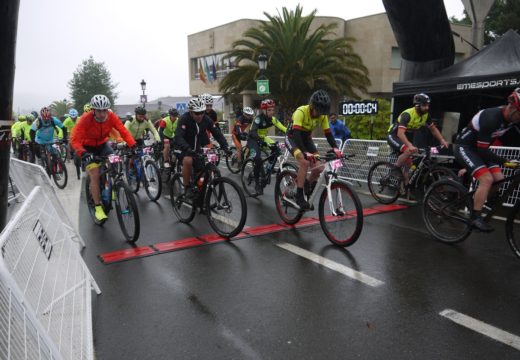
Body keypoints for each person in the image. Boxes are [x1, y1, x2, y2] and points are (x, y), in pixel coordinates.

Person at [453, 88, 520, 232]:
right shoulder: (492, 117)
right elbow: (482, 150)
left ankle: (479, 202)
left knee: (499, 179)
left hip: (479, 150)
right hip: (465, 147)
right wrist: (505, 162)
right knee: (487, 179)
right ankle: (475, 217)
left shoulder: (513, 118)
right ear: (513, 108)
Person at [71, 94, 136, 222]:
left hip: (102, 144)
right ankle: (98, 207)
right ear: (93, 110)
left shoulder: (111, 116)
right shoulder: (86, 119)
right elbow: (74, 139)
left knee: (115, 161)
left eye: (104, 110)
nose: (102, 114)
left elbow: (122, 130)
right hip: (87, 148)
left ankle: (112, 186)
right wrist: (83, 153)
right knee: (95, 174)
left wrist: (132, 145)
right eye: (99, 110)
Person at [286, 90, 342, 210]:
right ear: (312, 106)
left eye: (323, 112)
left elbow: (328, 134)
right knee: (304, 162)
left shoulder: (322, 116)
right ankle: (300, 196)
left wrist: (336, 148)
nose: (320, 114)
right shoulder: (301, 112)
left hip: (306, 139)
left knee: (319, 168)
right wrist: (304, 152)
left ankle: (306, 184)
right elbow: (296, 135)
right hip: (292, 138)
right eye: (318, 110)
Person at [387, 93, 449, 185]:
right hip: (394, 135)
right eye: (424, 105)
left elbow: (433, 129)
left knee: (409, 164)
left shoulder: (426, 115)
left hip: (405, 137)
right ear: (417, 105)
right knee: (408, 150)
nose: (427, 108)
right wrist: (410, 145)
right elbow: (400, 133)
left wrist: (442, 140)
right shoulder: (407, 114)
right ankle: (394, 169)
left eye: (428, 105)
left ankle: (405, 185)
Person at [173, 97, 229, 199]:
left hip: (196, 148)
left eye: (202, 112)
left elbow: (217, 133)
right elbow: (179, 136)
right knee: (188, 160)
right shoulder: (184, 119)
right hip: (181, 147)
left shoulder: (206, 119)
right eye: (197, 113)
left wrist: (225, 146)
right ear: (190, 111)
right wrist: (187, 149)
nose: (200, 115)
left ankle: (199, 193)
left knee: (202, 171)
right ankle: (187, 187)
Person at [248, 99, 287, 195]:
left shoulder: (273, 119)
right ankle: (257, 183)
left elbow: (283, 128)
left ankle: (268, 169)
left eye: (272, 110)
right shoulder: (258, 119)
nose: (271, 112)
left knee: (276, 149)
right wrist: (258, 139)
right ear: (263, 110)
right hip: (253, 139)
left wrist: (292, 133)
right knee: (257, 159)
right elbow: (253, 132)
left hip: (263, 138)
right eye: (269, 110)